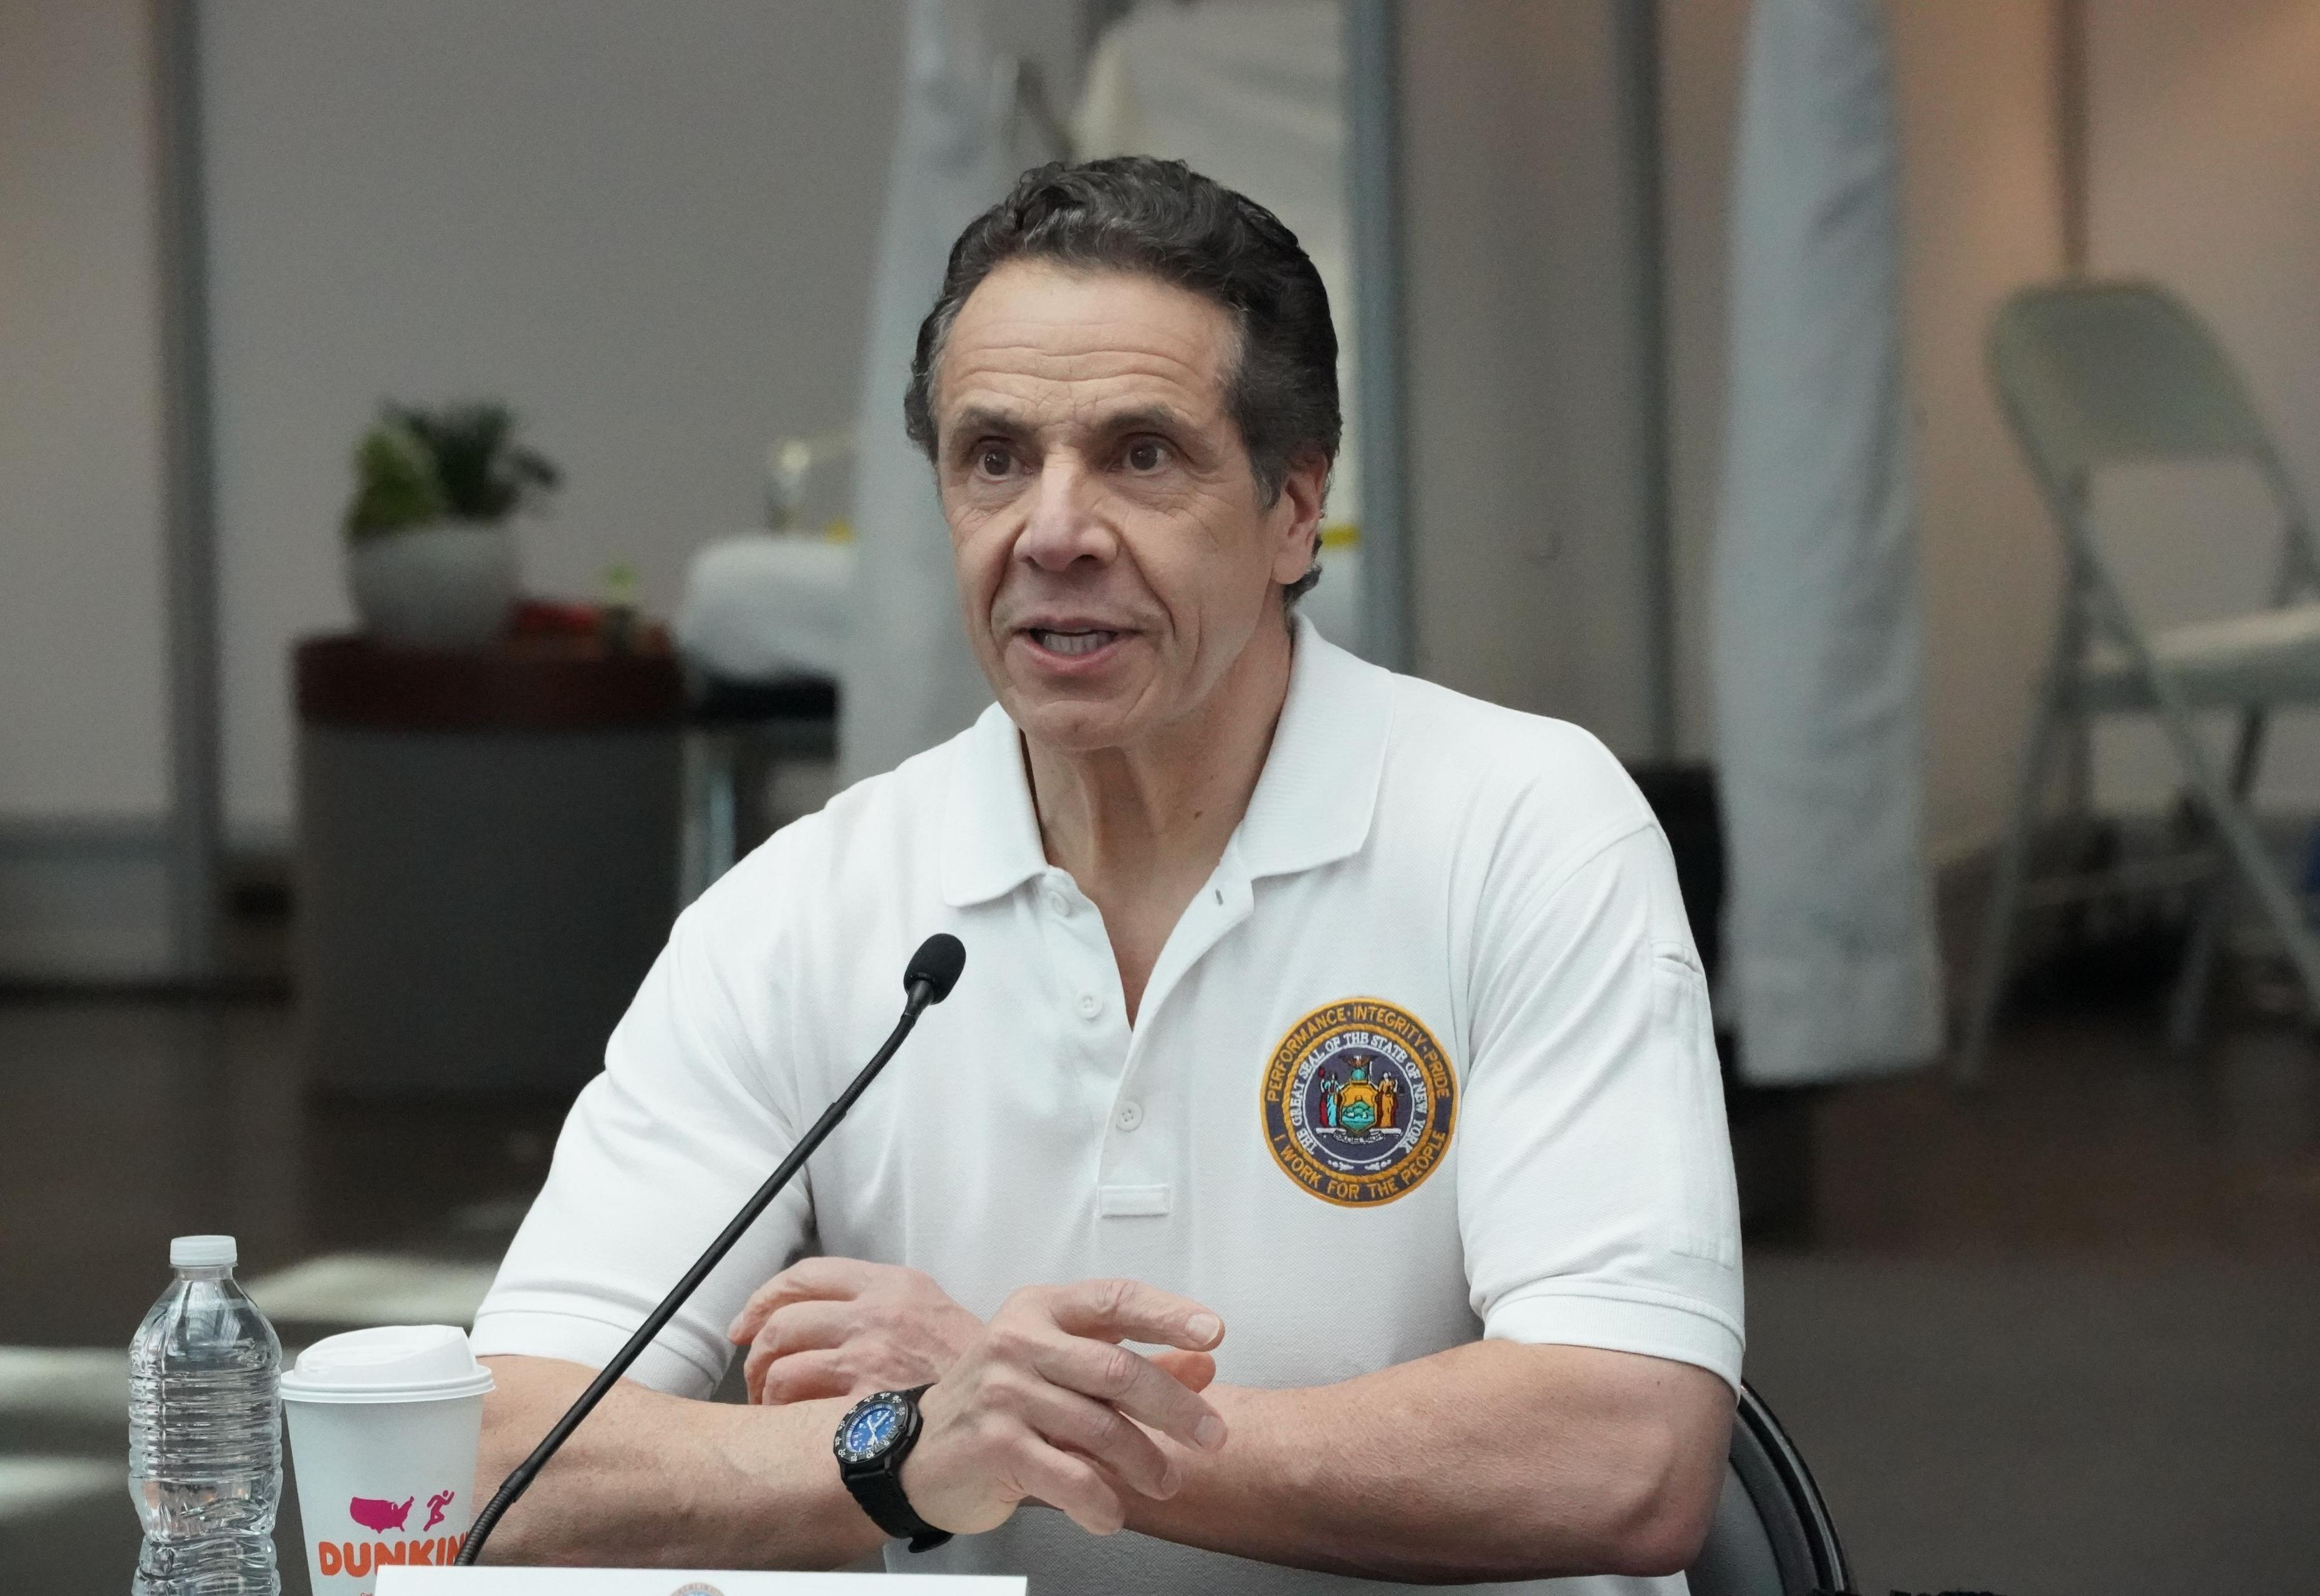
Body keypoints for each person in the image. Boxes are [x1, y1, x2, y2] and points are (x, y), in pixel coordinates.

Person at [470, 156, 1742, 1594]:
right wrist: (903, 1440)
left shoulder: (1525, 825)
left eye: (1141, 453)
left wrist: (1017, 1403)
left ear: (1292, 509)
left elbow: (1625, 1452)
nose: (1054, 530)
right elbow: (500, 1452)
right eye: (995, 456)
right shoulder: (803, 908)